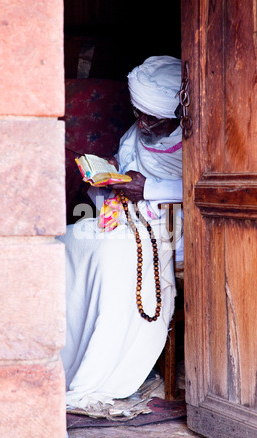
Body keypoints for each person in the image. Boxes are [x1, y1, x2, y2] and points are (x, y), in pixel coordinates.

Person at [58, 56, 183, 411]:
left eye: (153, 119)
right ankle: (70, 360)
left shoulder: (200, 139)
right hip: (127, 219)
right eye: (137, 114)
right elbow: (123, 180)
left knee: (112, 254)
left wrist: (151, 188)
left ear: (176, 116)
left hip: (171, 228)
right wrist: (106, 180)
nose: (142, 124)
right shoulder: (136, 133)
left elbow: (201, 186)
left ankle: (105, 370)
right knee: (69, 239)